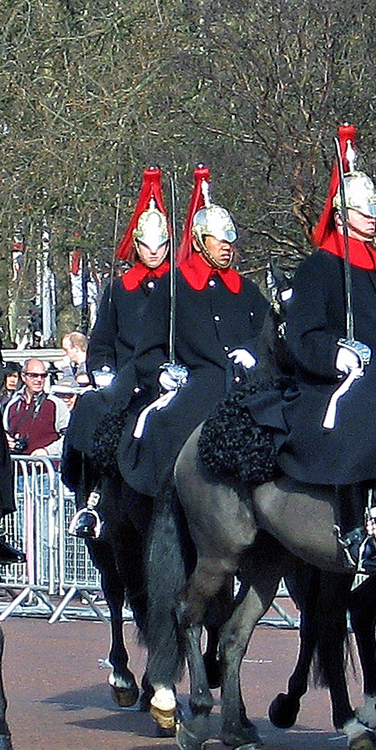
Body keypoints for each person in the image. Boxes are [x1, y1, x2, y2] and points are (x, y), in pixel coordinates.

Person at [259, 150, 376, 573]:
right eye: (362, 211)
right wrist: (336, 352)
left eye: (374, 210)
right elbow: (304, 334)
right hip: (347, 375)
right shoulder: (320, 267)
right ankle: (360, 523)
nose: (373, 217)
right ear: (340, 215)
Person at [116, 168, 271, 501]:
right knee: (168, 427)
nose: (227, 246)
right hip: (200, 381)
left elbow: (268, 332)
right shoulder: (174, 287)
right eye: (219, 239)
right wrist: (163, 373)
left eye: (230, 239)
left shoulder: (247, 290)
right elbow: (148, 351)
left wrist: (254, 350)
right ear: (201, 240)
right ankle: (165, 504)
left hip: (250, 382)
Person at [62, 168, 172, 539]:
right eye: (148, 246)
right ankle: (89, 499)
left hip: (172, 375)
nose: (154, 253)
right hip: (128, 376)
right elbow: (102, 341)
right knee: (92, 409)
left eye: (161, 246)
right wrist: (104, 370)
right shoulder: (119, 290)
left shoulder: (181, 287)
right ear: (137, 246)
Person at [6, 358, 70, 457]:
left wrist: (47, 451)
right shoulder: (12, 405)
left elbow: (68, 437)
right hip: (16, 468)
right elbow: (3, 433)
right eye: (33, 375)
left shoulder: (55, 404)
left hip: (46, 469)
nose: (39, 380)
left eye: (43, 376)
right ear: (23, 376)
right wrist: (6, 441)